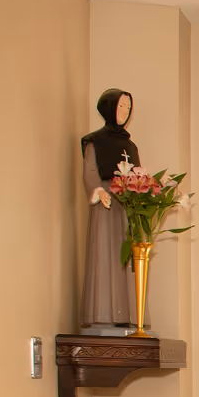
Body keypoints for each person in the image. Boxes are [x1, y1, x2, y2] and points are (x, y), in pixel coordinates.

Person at [80, 88, 140, 330]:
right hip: (106, 202)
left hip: (127, 205)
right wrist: (98, 190)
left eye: (127, 107)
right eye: (120, 106)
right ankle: (103, 313)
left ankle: (127, 314)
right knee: (105, 251)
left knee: (126, 255)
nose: (124, 112)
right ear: (108, 108)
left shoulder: (131, 146)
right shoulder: (94, 142)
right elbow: (90, 170)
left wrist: (141, 193)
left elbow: (138, 174)